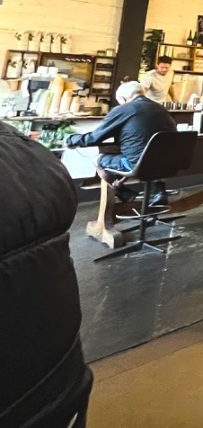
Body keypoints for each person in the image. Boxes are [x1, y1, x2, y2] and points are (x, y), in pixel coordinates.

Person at [1, 122, 93, 427]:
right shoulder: (34, 155)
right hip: (64, 386)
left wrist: (79, 138)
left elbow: (97, 136)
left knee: (106, 164)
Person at [66, 81, 175, 204]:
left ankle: (123, 192)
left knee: (97, 159)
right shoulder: (160, 108)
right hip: (168, 163)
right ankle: (159, 191)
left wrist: (71, 140)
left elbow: (94, 138)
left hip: (139, 165)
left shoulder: (124, 109)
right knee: (150, 156)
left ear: (123, 99)